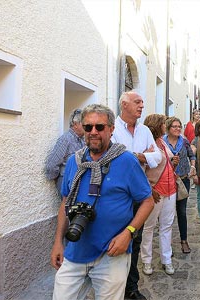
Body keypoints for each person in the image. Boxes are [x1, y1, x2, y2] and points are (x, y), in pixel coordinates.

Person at [50, 104, 154, 300]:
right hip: (76, 250)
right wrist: (57, 242)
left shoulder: (126, 161)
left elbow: (147, 201)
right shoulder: (75, 161)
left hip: (112, 254)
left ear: (111, 129)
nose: (94, 132)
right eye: (88, 127)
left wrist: (129, 233)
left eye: (100, 127)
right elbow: (65, 202)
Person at [111, 91, 162, 300]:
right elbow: (116, 157)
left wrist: (141, 156)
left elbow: (157, 156)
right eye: (137, 102)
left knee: (135, 240)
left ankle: (131, 288)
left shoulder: (144, 130)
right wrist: (141, 156)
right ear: (124, 105)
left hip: (139, 195)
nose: (142, 105)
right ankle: (116, 287)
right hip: (118, 195)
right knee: (117, 239)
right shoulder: (112, 128)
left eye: (142, 102)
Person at [140, 114, 178, 276]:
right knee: (149, 227)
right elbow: (140, 170)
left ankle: (166, 260)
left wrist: (173, 163)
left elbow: (165, 163)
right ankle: (146, 261)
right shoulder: (147, 145)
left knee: (167, 226)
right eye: (163, 123)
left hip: (171, 190)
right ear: (157, 125)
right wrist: (149, 189)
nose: (165, 125)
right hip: (155, 191)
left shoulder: (162, 142)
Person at [163, 117, 196, 254]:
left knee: (181, 211)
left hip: (183, 180)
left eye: (179, 126)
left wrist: (193, 166)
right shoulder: (162, 142)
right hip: (167, 181)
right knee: (167, 214)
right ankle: (167, 243)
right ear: (168, 128)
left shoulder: (184, 141)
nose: (177, 129)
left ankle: (184, 240)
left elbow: (191, 156)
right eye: (174, 126)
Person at [45, 108, 85, 196]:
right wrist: (60, 179)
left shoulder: (82, 140)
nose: (86, 126)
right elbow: (51, 165)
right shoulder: (65, 139)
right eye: (84, 124)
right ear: (75, 124)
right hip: (67, 182)